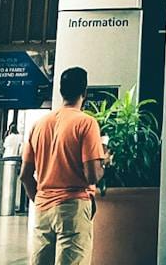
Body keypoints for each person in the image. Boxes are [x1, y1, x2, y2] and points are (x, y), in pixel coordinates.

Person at [21, 66, 106, 265]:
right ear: (84, 92)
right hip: (73, 207)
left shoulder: (39, 125)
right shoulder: (86, 123)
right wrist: (104, 162)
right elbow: (92, 175)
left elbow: (25, 175)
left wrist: (42, 199)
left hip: (42, 208)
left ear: (61, 91)